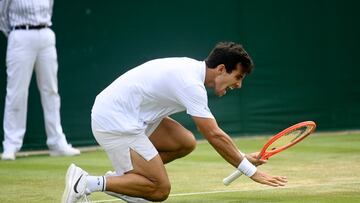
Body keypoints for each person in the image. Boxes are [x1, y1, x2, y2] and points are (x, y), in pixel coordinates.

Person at [61, 42, 288, 203]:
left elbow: (214, 135)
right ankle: (86, 183)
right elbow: (214, 134)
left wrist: (240, 156)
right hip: (115, 120)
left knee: (185, 142)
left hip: (132, 115)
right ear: (221, 69)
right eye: (238, 77)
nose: (238, 85)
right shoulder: (191, 83)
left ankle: (128, 182)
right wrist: (250, 171)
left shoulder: (190, 70)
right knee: (160, 190)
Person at [0, 0, 80, 160]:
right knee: (16, 93)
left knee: (51, 91)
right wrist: (16, 34)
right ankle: (11, 145)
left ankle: (57, 142)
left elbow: (49, 7)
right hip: (20, 34)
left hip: (46, 35)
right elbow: (2, 15)